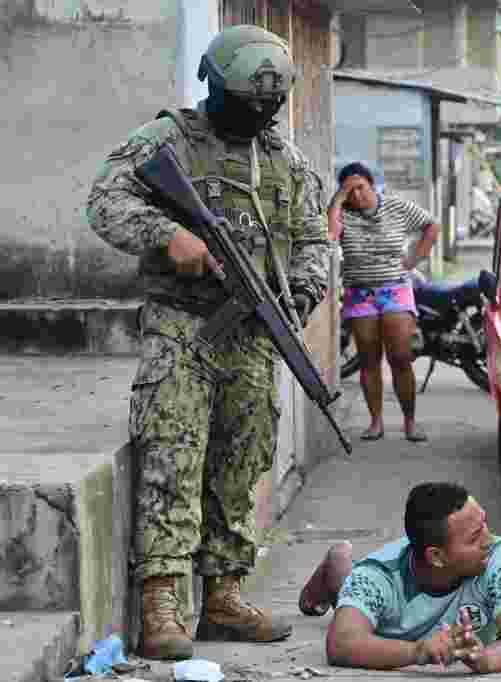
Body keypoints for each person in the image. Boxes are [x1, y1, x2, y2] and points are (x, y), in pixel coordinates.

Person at [86, 25, 331, 660]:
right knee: (173, 457)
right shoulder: (169, 139)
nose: (260, 114)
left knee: (241, 462)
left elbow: (313, 241)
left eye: (269, 105)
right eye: (249, 101)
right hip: (181, 328)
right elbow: (105, 200)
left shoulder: (286, 161)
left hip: (251, 338)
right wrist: (169, 237)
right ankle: (161, 603)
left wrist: (300, 295)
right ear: (217, 87)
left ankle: (223, 595)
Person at [297, 482, 501, 673]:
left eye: (485, 525)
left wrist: (485, 659)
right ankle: (336, 558)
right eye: (474, 538)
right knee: (345, 583)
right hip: (372, 587)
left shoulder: (497, 556)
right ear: (437, 557)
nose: (489, 541)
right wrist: (418, 651)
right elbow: (342, 644)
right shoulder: (376, 576)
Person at [327, 162, 442, 442]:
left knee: (400, 357)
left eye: (360, 188)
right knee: (368, 360)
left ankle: (410, 422)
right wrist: (337, 200)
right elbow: (329, 235)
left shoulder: (397, 208)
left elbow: (432, 225)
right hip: (360, 294)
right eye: (348, 191)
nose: (356, 195)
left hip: (395, 291)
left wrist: (415, 259)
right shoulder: (342, 212)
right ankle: (375, 422)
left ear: (371, 184)